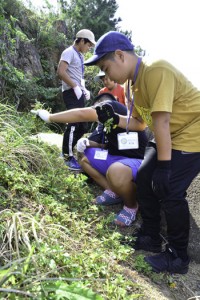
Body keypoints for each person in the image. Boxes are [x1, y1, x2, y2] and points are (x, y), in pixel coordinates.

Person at [84, 31, 200, 274]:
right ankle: (150, 236)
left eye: (106, 68)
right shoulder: (133, 85)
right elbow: (139, 124)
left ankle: (178, 257)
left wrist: (166, 167)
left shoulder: (156, 70)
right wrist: (113, 118)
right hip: (169, 135)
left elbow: (162, 121)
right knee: (146, 178)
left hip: (192, 135)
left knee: (170, 190)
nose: (106, 76)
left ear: (120, 55)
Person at [31, 92, 148, 226]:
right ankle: (114, 191)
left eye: (97, 108)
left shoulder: (114, 108)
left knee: (116, 171)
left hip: (136, 161)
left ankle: (131, 206)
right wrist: (86, 142)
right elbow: (104, 145)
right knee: (85, 157)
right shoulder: (106, 124)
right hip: (116, 158)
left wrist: (50, 117)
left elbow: (81, 114)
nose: (95, 112)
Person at [57, 29, 96, 171]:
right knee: (73, 124)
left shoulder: (80, 56)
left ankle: (65, 151)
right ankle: (67, 156)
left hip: (78, 92)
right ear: (81, 40)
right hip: (70, 92)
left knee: (83, 127)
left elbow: (77, 75)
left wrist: (83, 88)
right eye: (88, 45)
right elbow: (60, 72)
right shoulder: (69, 52)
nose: (88, 49)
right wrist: (74, 86)